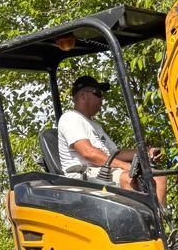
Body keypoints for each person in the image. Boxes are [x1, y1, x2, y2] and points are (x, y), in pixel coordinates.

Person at [57, 75, 166, 206]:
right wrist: (127, 166)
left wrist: (146, 152)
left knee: (158, 176)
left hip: (104, 169)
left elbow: (116, 153)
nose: (102, 98)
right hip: (84, 174)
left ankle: (159, 221)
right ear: (82, 96)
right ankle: (138, 223)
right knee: (130, 177)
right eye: (97, 93)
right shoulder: (70, 118)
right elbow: (88, 153)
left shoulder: (96, 125)